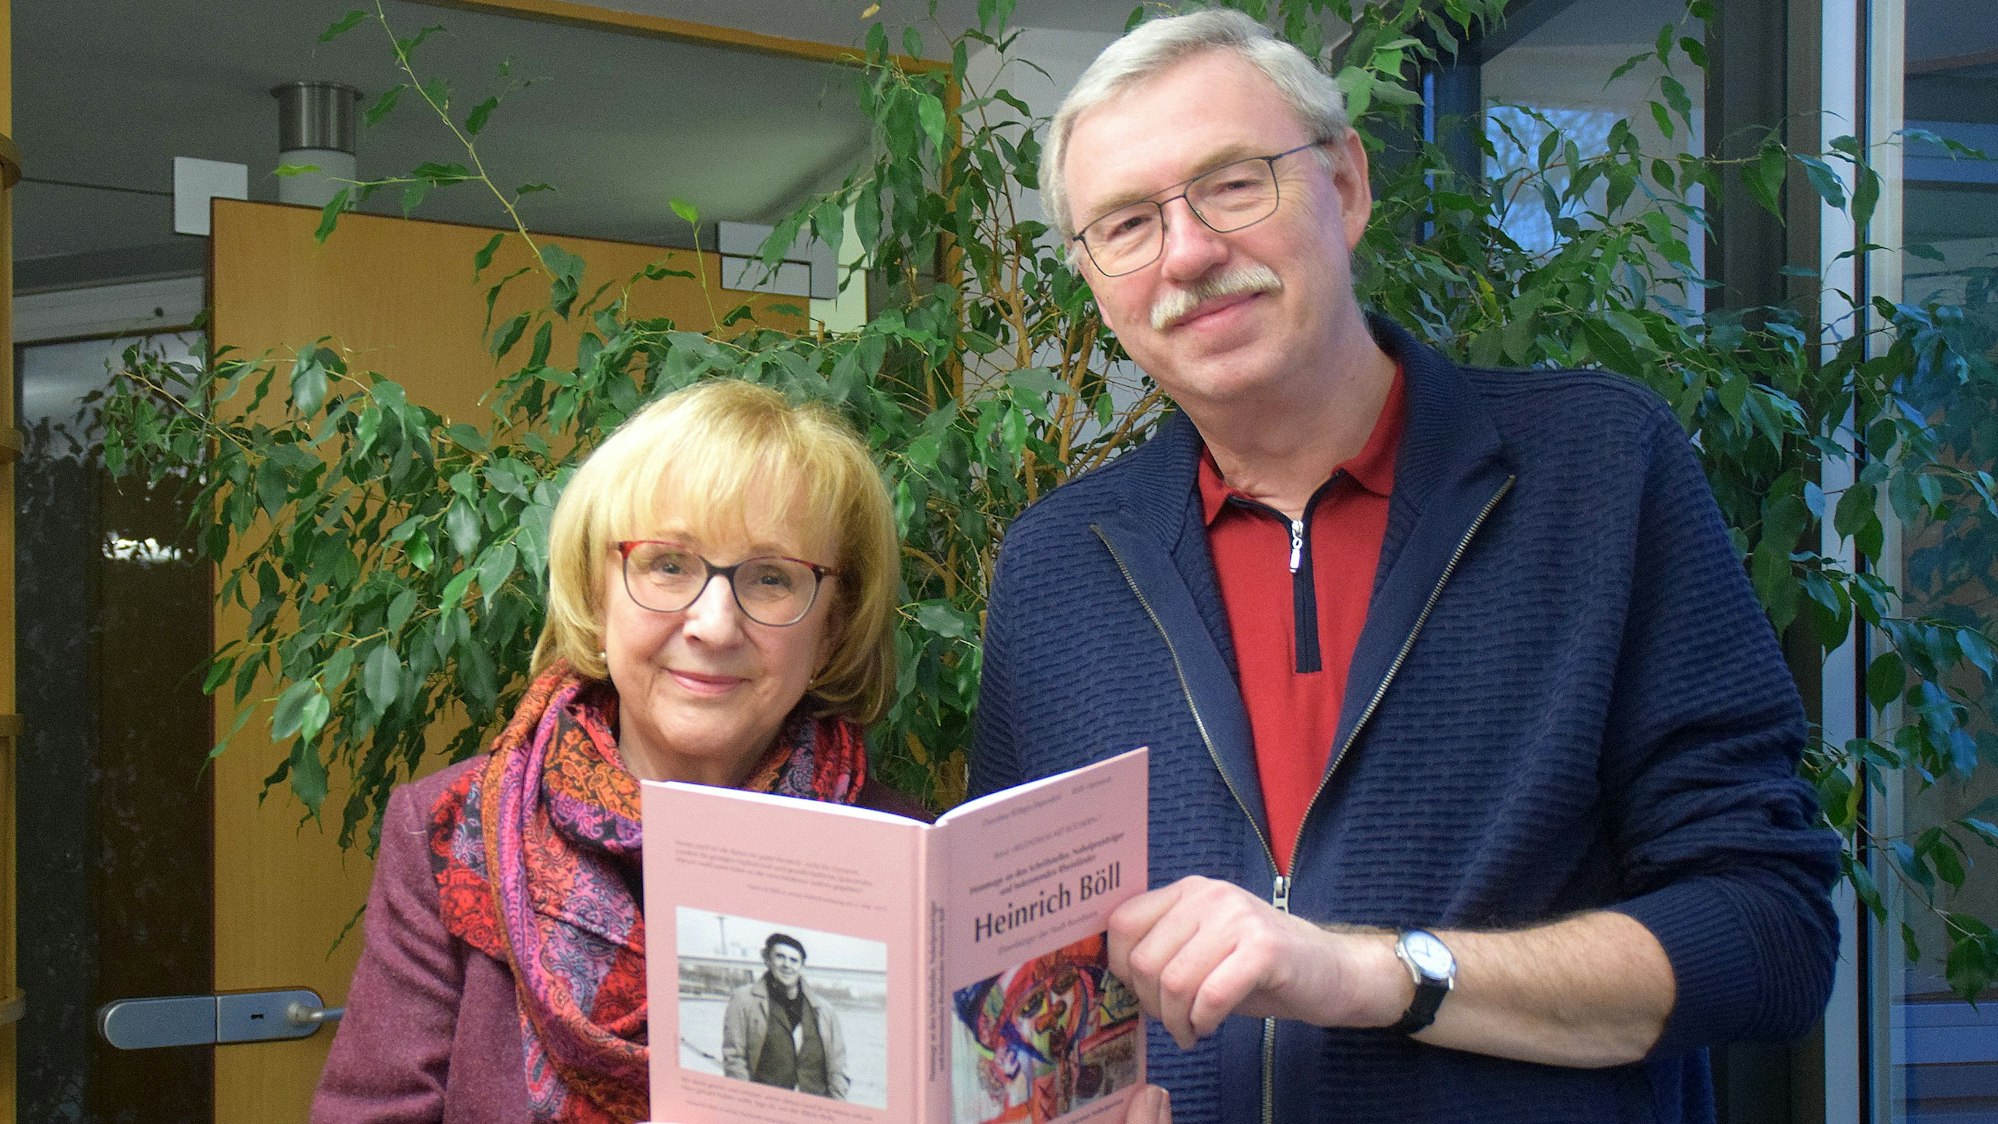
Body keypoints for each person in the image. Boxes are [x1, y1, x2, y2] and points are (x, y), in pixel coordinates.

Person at [968, 10, 1841, 1124]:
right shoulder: (1053, 568)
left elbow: (1769, 932)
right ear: (1095, 278)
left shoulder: (1600, 474)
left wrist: (1373, 970)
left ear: (1345, 184)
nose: (1187, 252)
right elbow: (1021, 981)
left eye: (1233, 184)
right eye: (1128, 224)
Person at [313, 379, 923, 1123]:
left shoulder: (910, 863)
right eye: (669, 564)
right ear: (597, 590)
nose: (714, 624)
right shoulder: (452, 832)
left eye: (771, 578)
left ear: (832, 626)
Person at [720, 932, 851, 1098]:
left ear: (801, 966)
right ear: (768, 960)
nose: (787, 965)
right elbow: (734, 1058)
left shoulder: (824, 1010)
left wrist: (836, 1105)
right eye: (780, 957)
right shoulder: (743, 1000)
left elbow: (838, 1066)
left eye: (794, 960)